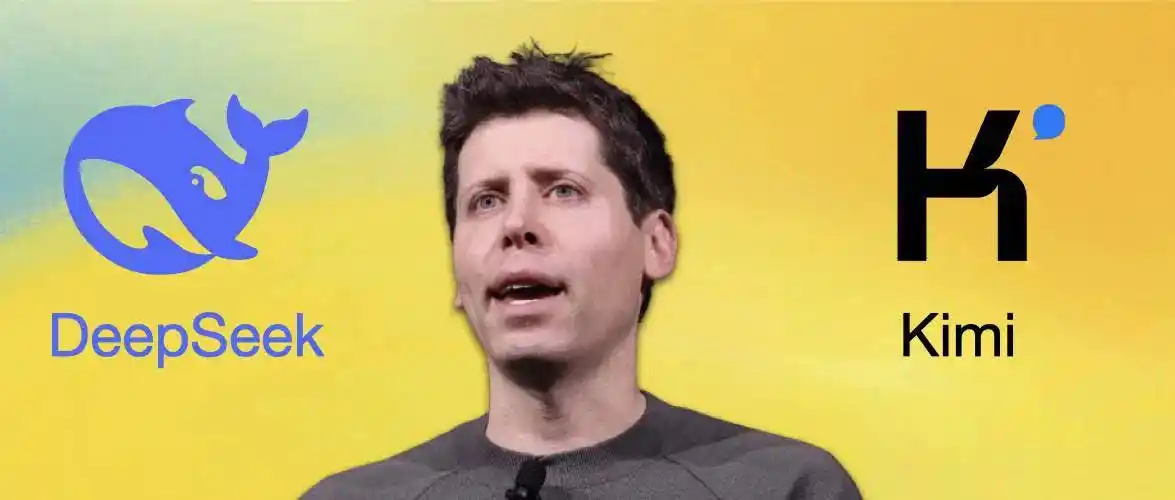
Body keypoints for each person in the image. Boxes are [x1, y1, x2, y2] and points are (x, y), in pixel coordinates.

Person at [300, 42, 863, 500]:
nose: (516, 224)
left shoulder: (783, 486)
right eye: (486, 200)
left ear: (656, 244)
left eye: (563, 191)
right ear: (457, 273)